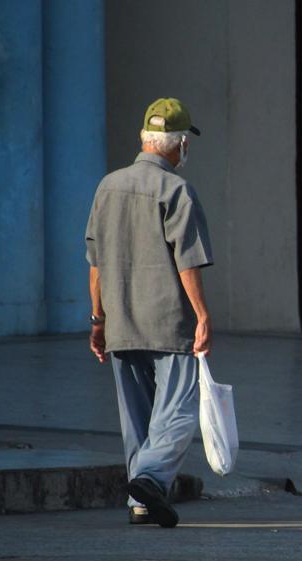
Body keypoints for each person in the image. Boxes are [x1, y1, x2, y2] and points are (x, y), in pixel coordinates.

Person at [85, 98, 213, 529]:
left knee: (136, 418)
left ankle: (139, 503)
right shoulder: (176, 191)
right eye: (184, 144)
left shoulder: (108, 186)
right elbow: (187, 261)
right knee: (178, 410)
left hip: (121, 320)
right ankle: (151, 480)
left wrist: (98, 319)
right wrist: (202, 316)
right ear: (177, 146)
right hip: (167, 321)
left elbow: (96, 262)